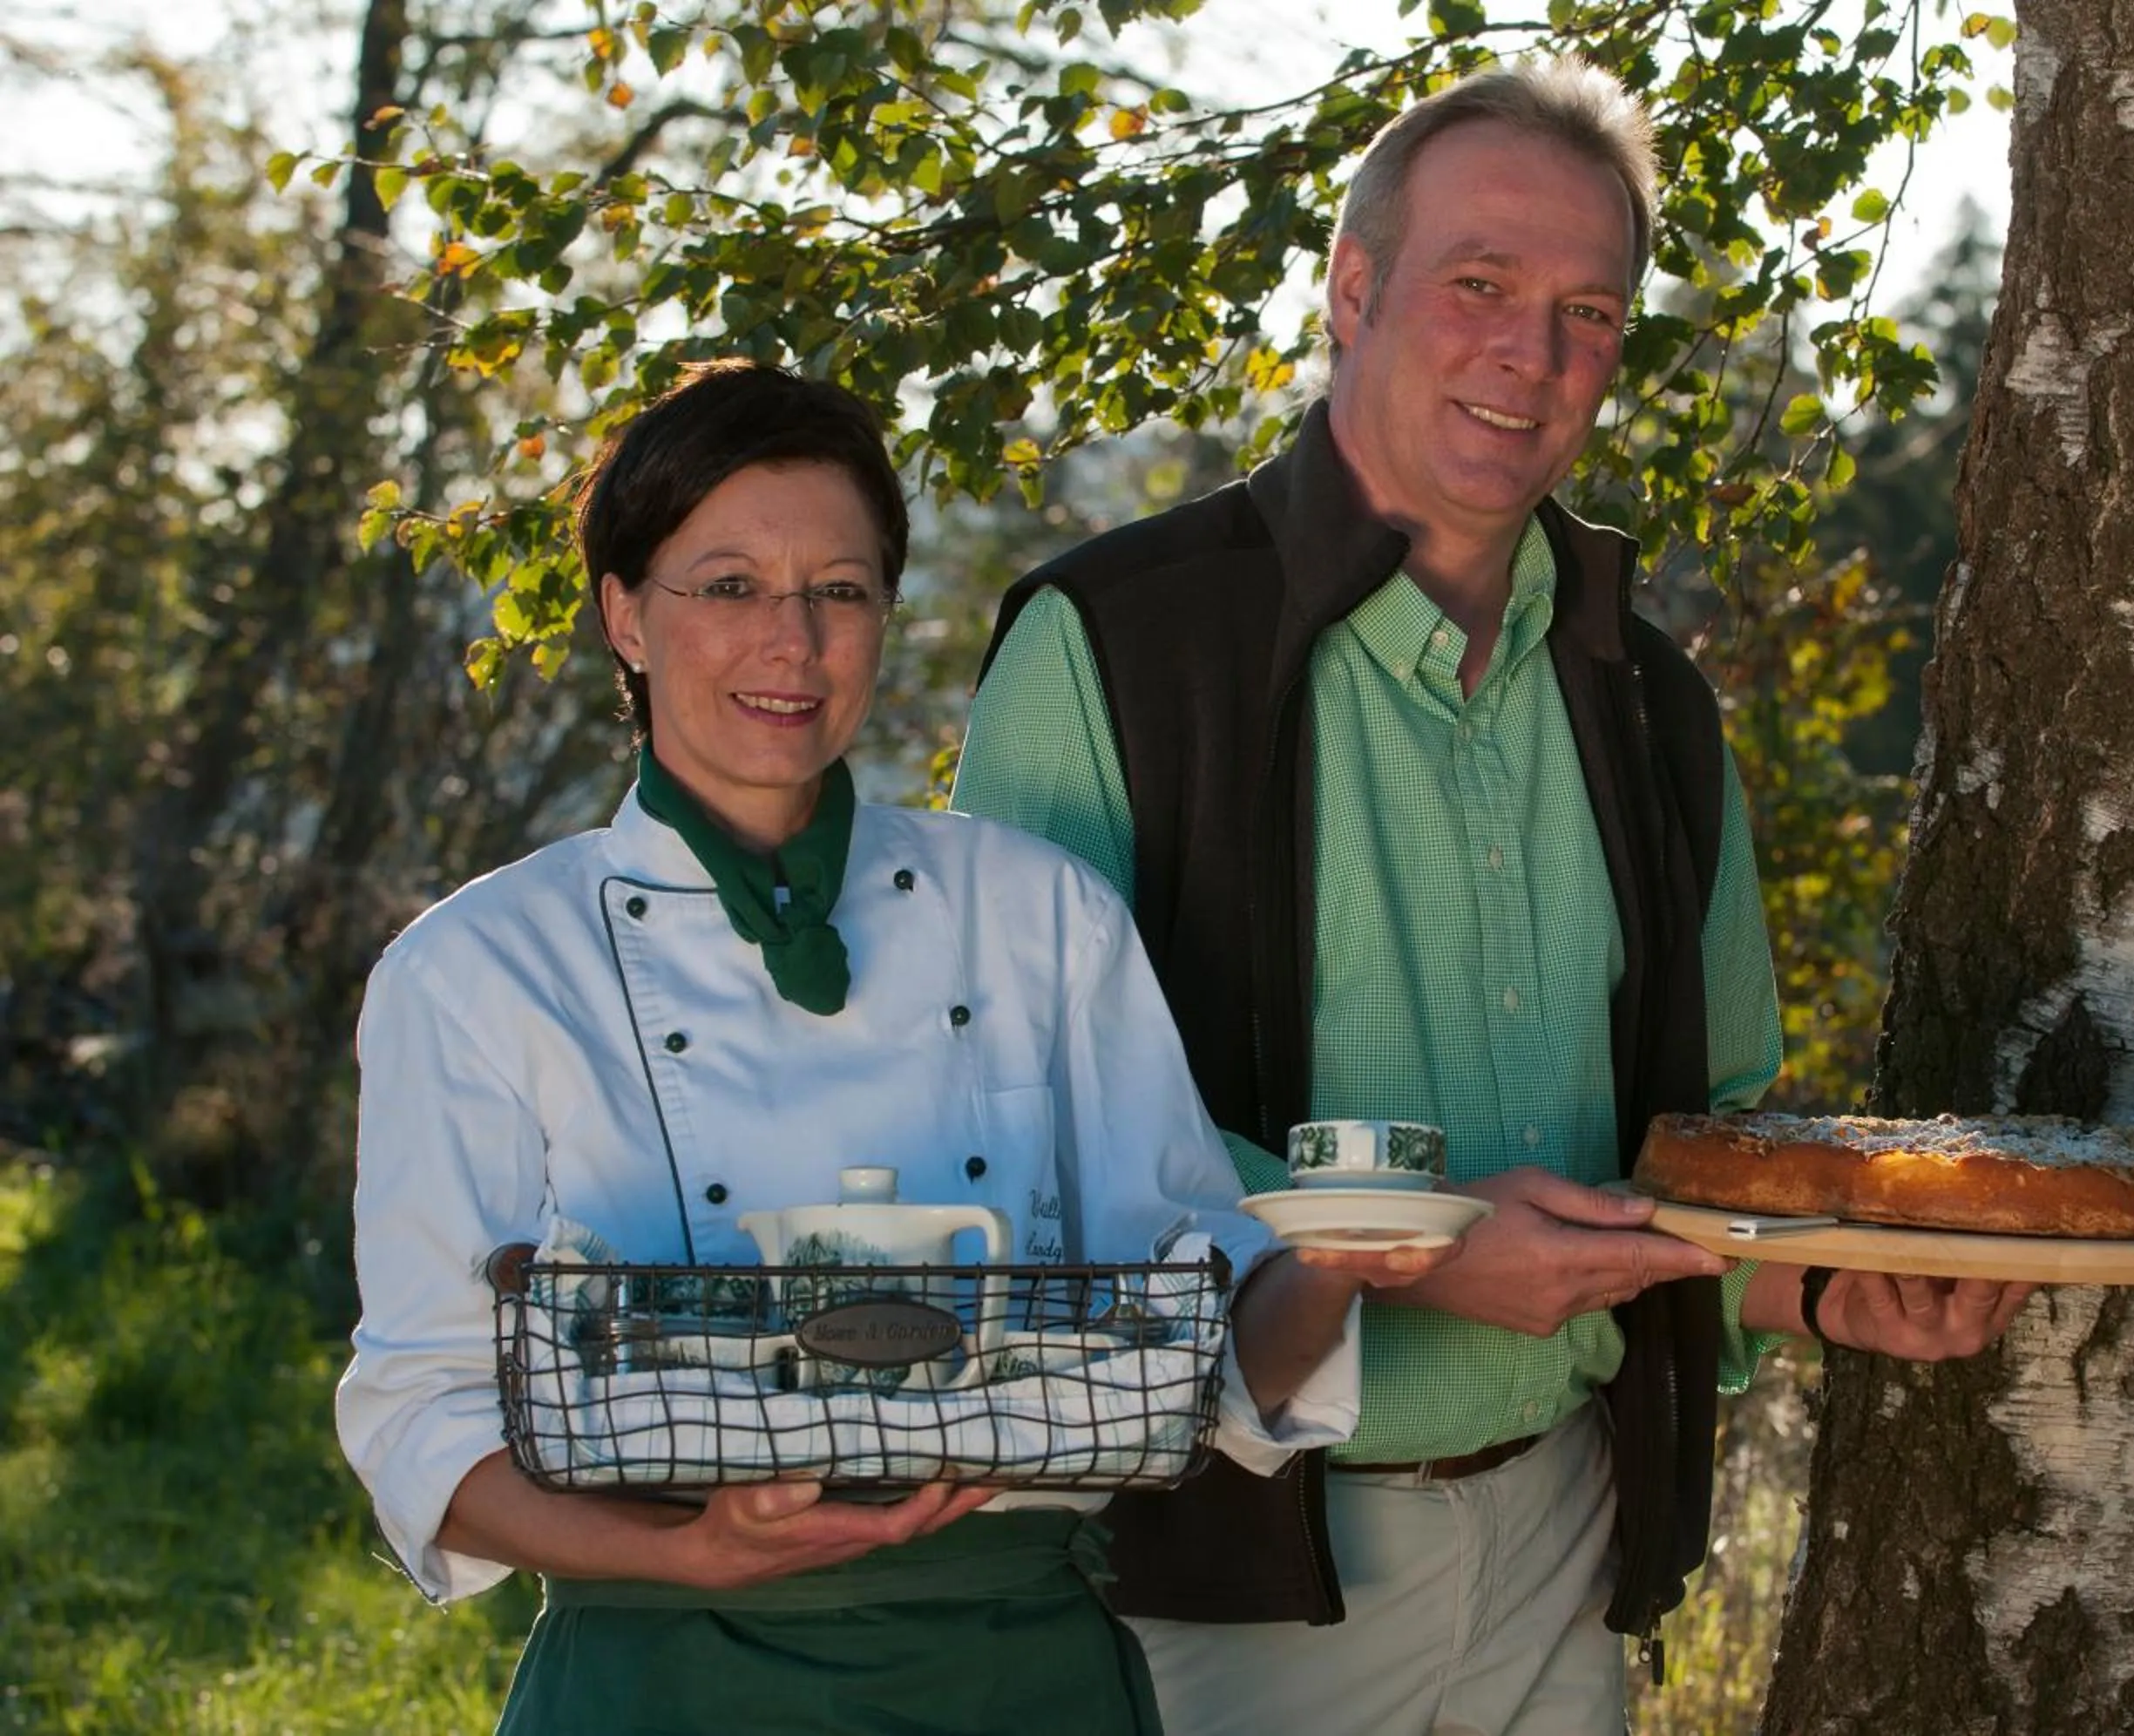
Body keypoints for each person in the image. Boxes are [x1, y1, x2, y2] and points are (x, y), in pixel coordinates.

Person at [952, 58, 2036, 1736]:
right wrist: (1429, 1254)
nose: (1529, 358)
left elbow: (1705, 1151)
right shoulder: (1107, 648)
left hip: (1563, 1548)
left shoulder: (1654, 706)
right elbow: (1027, 1137)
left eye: (1587, 312)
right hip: (1220, 1578)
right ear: (1355, 290)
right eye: (1479, 288)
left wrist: (1817, 1283)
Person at [334, 363, 1453, 1736]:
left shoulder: (1036, 912)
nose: (791, 643)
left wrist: (1333, 1264)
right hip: (667, 1681)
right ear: (626, 614)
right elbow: (424, 1421)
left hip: (1018, 1667)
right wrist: (690, 1550)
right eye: (729, 585)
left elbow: (1202, 1362)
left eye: (840, 591)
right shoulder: (481, 968)